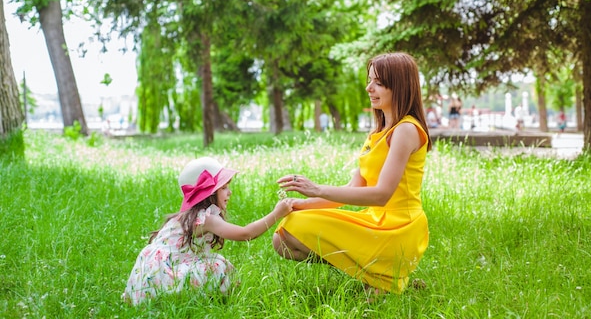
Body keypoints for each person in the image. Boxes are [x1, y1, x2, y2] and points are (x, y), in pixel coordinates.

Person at [272, 52, 431, 296]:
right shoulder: (376, 132)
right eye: (369, 80)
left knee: (372, 304)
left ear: (398, 85)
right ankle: (376, 274)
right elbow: (351, 190)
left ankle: (387, 274)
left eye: (378, 82)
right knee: (284, 236)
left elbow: (381, 195)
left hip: (399, 228)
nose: (369, 88)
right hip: (375, 222)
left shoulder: (406, 130)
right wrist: (302, 203)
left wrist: (316, 188)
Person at [123, 157, 293, 305]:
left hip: (151, 273)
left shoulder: (189, 216)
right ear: (209, 193)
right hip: (165, 274)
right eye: (224, 187)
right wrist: (277, 213)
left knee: (214, 261)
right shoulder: (206, 219)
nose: (230, 192)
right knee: (218, 266)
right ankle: (196, 300)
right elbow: (245, 234)